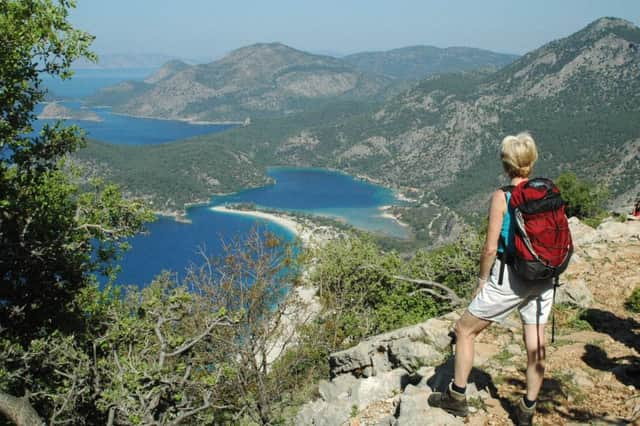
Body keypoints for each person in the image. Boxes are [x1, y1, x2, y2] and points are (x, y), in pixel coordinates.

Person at [428, 132, 554, 426]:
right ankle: (527, 408)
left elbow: (489, 247)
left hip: (512, 276)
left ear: (506, 163)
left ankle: (456, 396)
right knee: (535, 343)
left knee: (464, 330)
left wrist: (483, 279)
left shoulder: (503, 196)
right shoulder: (547, 190)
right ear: (531, 161)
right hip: (544, 275)